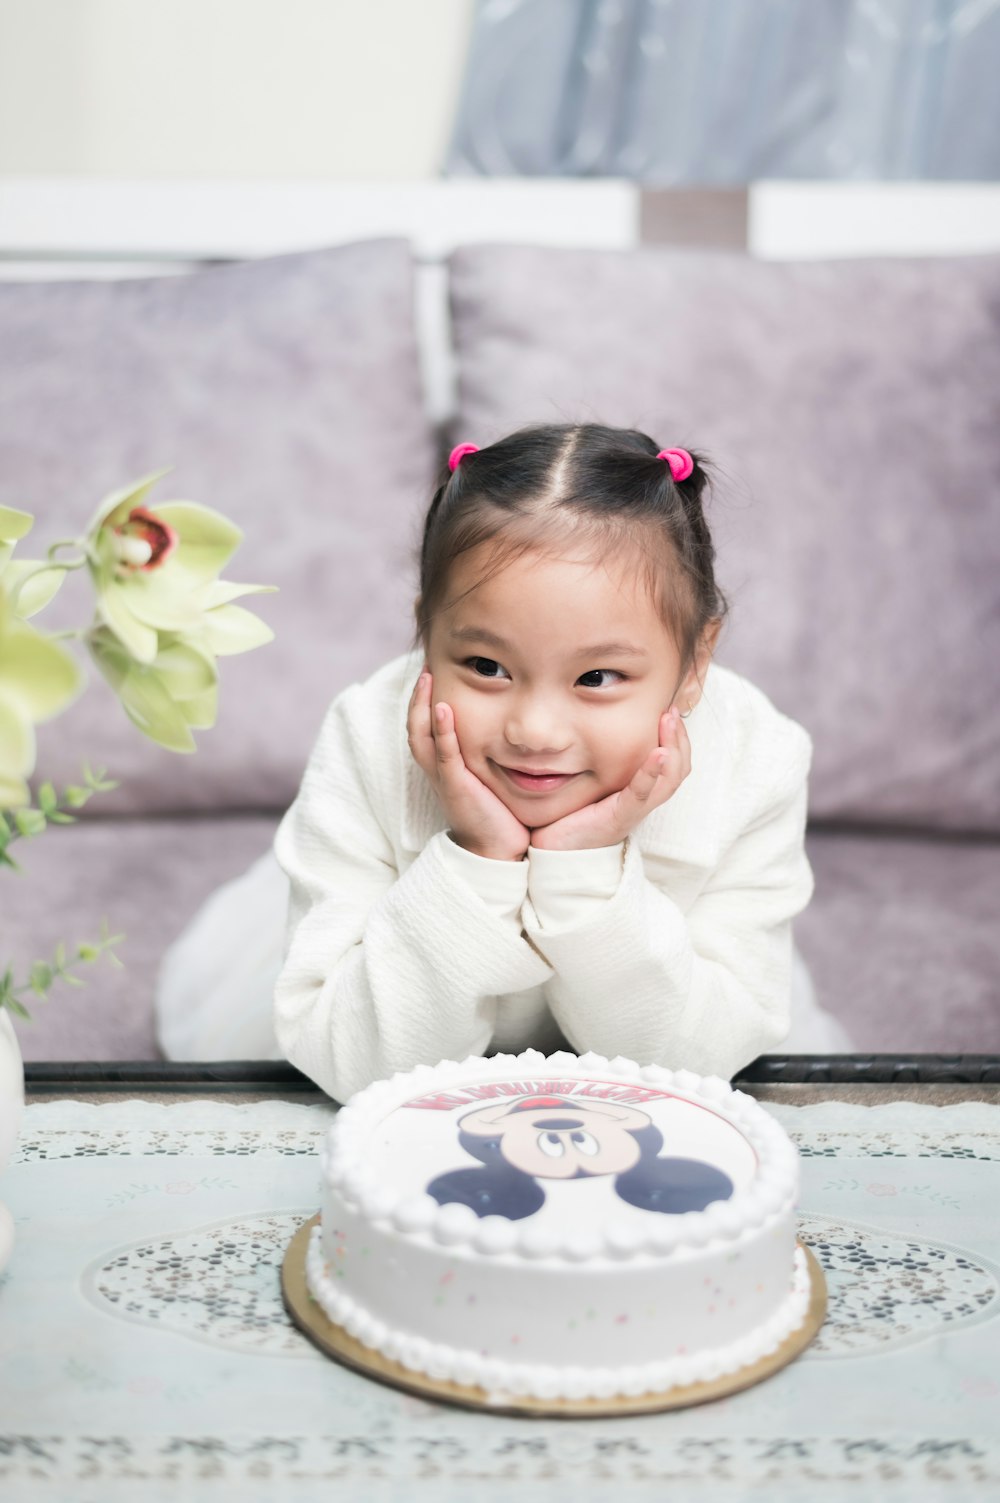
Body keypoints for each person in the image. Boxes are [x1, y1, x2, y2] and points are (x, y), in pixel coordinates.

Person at [156, 423, 850, 1095]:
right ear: (426, 631)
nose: (536, 730)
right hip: (390, 1002)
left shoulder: (758, 757)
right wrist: (478, 856)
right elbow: (356, 1063)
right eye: (487, 665)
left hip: (679, 1002)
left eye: (597, 678)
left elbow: (688, 1061)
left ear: (696, 661)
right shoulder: (367, 732)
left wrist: (582, 866)